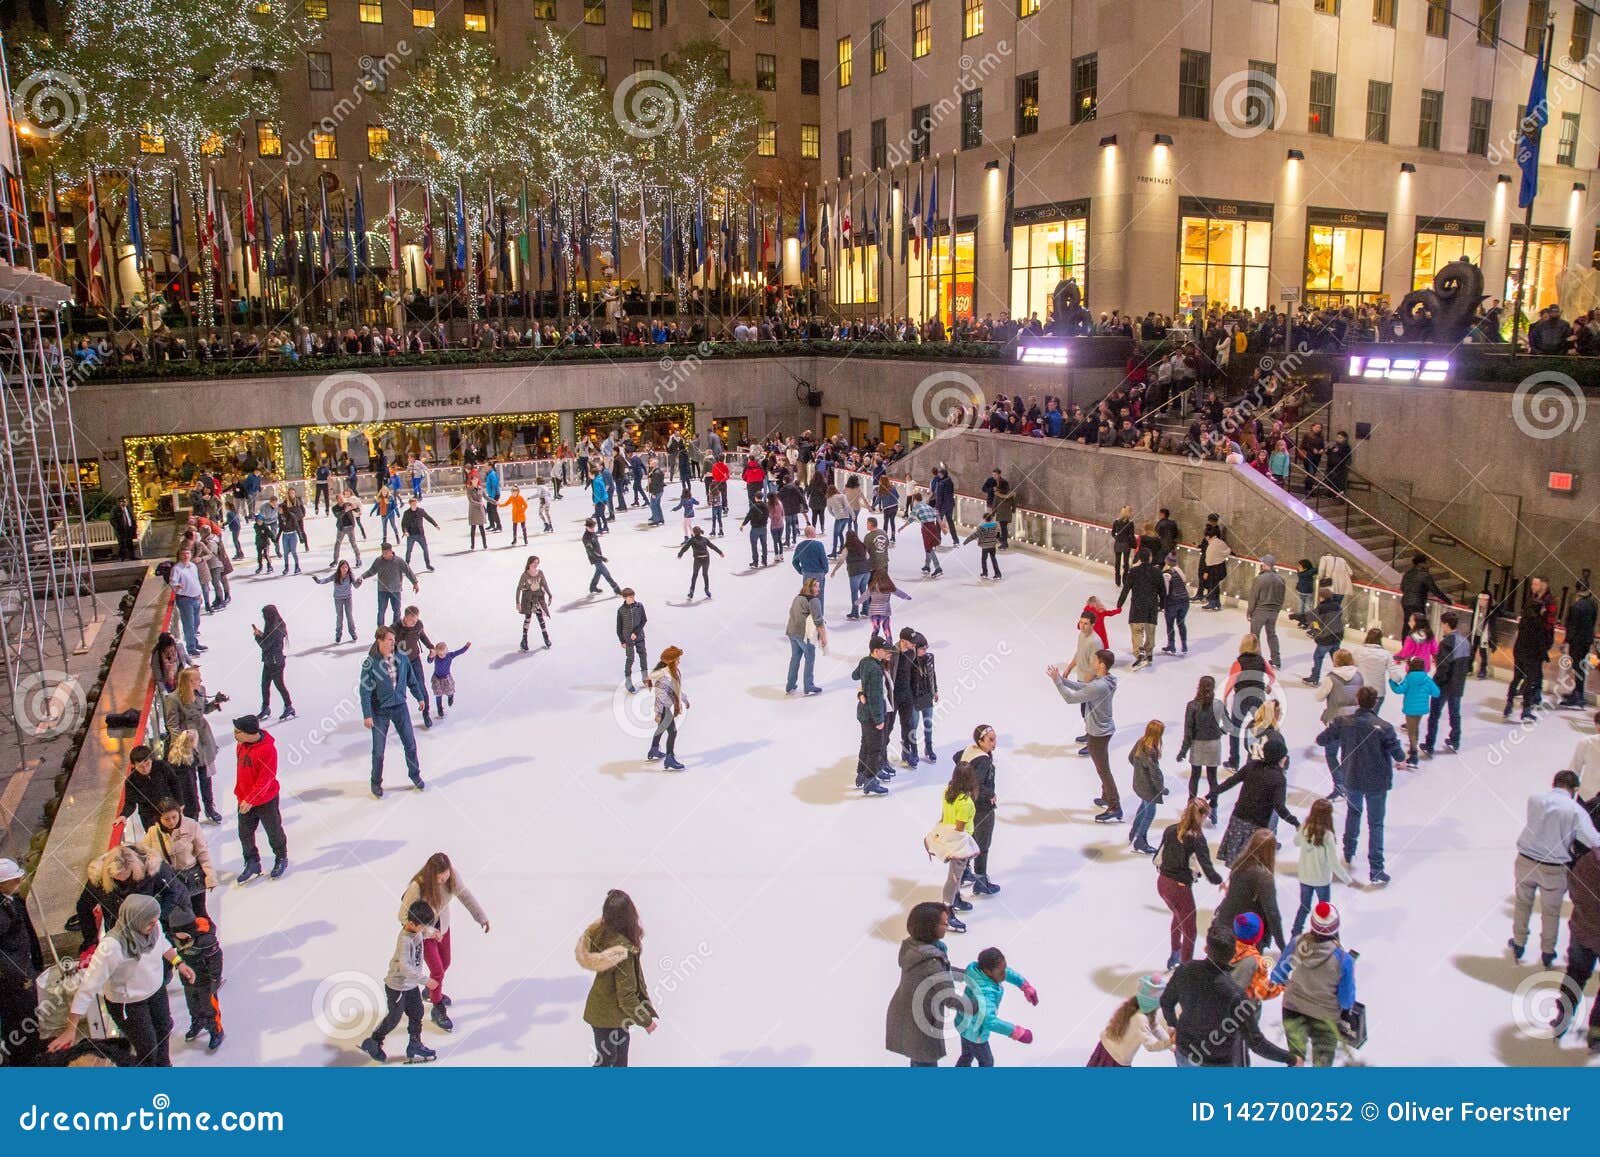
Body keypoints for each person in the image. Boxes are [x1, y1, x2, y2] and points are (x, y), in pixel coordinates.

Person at [47, 895, 193, 1066]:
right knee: (148, 1047)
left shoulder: (155, 928)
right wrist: (71, 1029)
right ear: (135, 919)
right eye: (150, 921)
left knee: (164, 1028)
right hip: (129, 1004)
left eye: (155, 920)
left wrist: (179, 963)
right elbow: (88, 986)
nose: (154, 924)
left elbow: (163, 945)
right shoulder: (111, 947)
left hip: (155, 991)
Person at [1160, 923, 1299, 1067]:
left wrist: (1173, 1026)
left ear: (1206, 948)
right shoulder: (1236, 996)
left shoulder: (1184, 970)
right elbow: (1256, 1042)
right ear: (1232, 955)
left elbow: (1166, 1001)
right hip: (1218, 1062)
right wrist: (1290, 1058)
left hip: (1184, 1052)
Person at [1509, 770, 1600, 968]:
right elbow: (1594, 840)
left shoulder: (1534, 799)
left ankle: (1518, 942)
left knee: (1523, 903)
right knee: (1551, 911)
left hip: (1525, 861)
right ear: (1574, 789)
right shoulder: (1576, 811)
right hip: (1554, 868)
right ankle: (1547, 951)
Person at [1318, 687, 1403, 886]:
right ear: (1374, 702)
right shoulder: (1385, 727)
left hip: (1352, 778)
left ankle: (1349, 851)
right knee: (1376, 824)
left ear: (1358, 700)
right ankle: (1376, 868)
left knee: (1353, 813)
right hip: (1377, 782)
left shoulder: (1343, 722)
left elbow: (1322, 740)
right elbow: (1399, 755)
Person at [399, 853, 491, 1033]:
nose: (444, 881)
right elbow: (402, 916)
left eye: (446, 876)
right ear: (431, 875)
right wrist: (427, 931)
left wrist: (481, 917)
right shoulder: (417, 886)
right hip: (425, 935)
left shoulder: (451, 877)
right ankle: (437, 1007)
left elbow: (465, 896)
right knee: (437, 970)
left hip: (443, 929)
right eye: (440, 878)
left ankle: (431, 990)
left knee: (445, 963)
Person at [1270, 901, 1357, 1067]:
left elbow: (1276, 976)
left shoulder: (1297, 943)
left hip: (1292, 1010)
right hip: (1326, 1018)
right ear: (1336, 927)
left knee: (1296, 1062)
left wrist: (1292, 985)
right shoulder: (1344, 960)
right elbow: (1346, 1001)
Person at [577, 889, 657, 1066]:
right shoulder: (623, 952)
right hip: (607, 1016)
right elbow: (626, 996)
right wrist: (646, 1021)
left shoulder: (604, 936)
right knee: (609, 1060)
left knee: (617, 1058)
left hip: (609, 1014)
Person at [358, 900, 439, 1065]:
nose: (423, 930)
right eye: (421, 926)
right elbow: (406, 968)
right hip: (397, 986)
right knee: (394, 1017)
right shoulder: (404, 940)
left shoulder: (417, 930)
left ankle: (414, 1044)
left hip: (410, 985)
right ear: (411, 923)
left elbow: (423, 933)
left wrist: (433, 933)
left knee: (417, 1012)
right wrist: (427, 981)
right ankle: (373, 1041)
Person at [886, 901, 961, 1066]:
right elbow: (948, 997)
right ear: (930, 927)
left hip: (906, 1014)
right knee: (925, 1062)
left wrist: (962, 973)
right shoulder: (931, 961)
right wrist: (977, 1005)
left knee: (918, 1058)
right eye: (944, 923)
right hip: (921, 1020)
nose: (947, 925)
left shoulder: (914, 948)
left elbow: (939, 972)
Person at [1049, 650, 1120, 822]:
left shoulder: (1100, 685)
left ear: (1102, 665)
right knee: (1102, 767)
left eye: (1095, 661)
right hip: (1103, 730)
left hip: (1098, 733)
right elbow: (1085, 688)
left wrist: (1057, 682)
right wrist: (1062, 679)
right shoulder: (1105, 680)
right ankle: (1106, 797)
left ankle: (1115, 806)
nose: (1092, 663)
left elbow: (1070, 698)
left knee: (1103, 770)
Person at [1210, 733, 1300, 865]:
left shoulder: (1252, 766)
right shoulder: (1279, 779)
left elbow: (1230, 782)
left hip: (1238, 820)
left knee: (1236, 862)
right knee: (1249, 865)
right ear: (1280, 758)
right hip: (1256, 827)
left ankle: (1234, 883)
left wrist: (1211, 794)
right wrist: (1295, 822)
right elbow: (1279, 807)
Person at [359, 627, 427, 798]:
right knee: (379, 751)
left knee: (410, 744)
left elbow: (411, 680)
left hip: (400, 707)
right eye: (389, 639)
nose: (392, 642)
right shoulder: (370, 662)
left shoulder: (402, 658)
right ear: (379, 641)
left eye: (393, 639)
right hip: (380, 711)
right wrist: (367, 715)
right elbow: (365, 690)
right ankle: (376, 782)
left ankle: (415, 774)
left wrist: (419, 697)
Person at [1156, 798, 1222, 967]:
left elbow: (1157, 857)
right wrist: (1221, 881)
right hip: (1180, 888)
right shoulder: (1197, 838)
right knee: (1190, 931)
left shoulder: (1170, 830)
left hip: (1162, 883)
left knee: (1178, 917)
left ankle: (1174, 954)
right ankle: (1185, 968)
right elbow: (1207, 869)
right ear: (1202, 816)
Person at [1551, 842, 1600, 1052]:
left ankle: (1564, 1014)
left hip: (1582, 931)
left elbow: (1573, 889)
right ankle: (1597, 1031)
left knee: (1576, 973)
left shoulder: (1587, 861)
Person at [953, 947, 1037, 1066]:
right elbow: (989, 1021)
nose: (1004, 974)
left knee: (967, 1055)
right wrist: (1017, 1032)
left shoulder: (978, 973)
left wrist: (1024, 985)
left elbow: (1008, 972)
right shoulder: (984, 992)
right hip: (975, 1032)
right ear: (987, 971)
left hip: (963, 1023)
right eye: (1001, 972)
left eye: (1004, 969)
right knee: (987, 1062)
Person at [1214, 828, 1288, 953]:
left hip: (1225, 923)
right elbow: (1272, 913)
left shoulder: (1239, 864)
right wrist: (1282, 946)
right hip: (1248, 932)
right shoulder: (1264, 877)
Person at [142, 799, 217, 922]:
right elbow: (144, 854)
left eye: (174, 817)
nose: (171, 822)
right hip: (171, 881)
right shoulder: (152, 833)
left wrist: (210, 876)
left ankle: (207, 939)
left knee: (200, 914)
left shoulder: (192, 826)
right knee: (179, 917)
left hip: (192, 877)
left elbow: (202, 853)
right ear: (159, 818)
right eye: (166, 819)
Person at [0, 858, 43, 1067]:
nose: (19, 880)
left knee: (30, 1013)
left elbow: (27, 929)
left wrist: (36, 959)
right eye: (14, 879)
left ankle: (32, 1051)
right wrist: (15, 973)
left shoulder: (14, 900)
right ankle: (22, 1060)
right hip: (11, 979)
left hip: (25, 968)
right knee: (17, 1020)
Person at [932, 762, 980, 934]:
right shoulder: (965, 803)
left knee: (956, 875)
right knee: (954, 876)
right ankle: (948, 910)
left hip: (948, 837)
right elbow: (960, 827)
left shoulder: (948, 791)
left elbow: (944, 816)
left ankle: (956, 899)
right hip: (960, 843)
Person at [1291, 798, 1350, 936]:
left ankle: (1295, 933)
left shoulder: (1305, 828)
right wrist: (1347, 879)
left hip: (1305, 877)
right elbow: (1334, 863)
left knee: (1304, 907)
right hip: (1322, 880)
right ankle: (1327, 935)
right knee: (1325, 911)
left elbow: (1296, 842)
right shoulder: (1328, 836)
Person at [1087, 974, 1172, 1067]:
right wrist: (1169, 1043)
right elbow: (1150, 1046)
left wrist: (1171, 1043)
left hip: (1106, 1045)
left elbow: (1155, 1027)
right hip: (1116, 1057)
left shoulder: (1137, 1006)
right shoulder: (1141, 1019)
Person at [959, 724, 1002, 896]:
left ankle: (963, 873)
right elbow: (976, 784)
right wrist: (990, 793)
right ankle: (980, 881)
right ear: (980, 741)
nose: (994, 743)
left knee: (969, 840)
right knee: (982, 845)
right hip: (981, 808)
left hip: (967, 807)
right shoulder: (983, 760)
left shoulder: (971, 750)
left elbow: (957, 758)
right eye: (990, 740)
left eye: (995, 738)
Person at [1506, 576, 1557, 720]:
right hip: (1532, 653)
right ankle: (1526, 709)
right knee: (1529, 679)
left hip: (1521, 650)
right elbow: (1545, 631)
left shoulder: (1526, 619)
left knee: (1517, 677)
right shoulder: (1539, 623)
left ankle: (1509, 704)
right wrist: (1544, 652)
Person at [853, 636, 893, 796]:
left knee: (865, 744)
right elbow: (876, 697)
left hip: (862, 713)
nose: (886, 652)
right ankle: (870, 781)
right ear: (876, 651)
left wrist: (862, 691)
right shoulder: (876, 670)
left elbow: (854, 675)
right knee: (875, 748)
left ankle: (861, 773)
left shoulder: (865, 661)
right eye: (884, 650)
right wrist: (879, 720)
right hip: (872, 716)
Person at [1177, 676, 1224, 809]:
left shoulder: (1192, 705)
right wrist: (1219, 731)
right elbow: (1227, 724)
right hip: (1214, 743)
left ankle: (1191, 804)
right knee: (1212, 776)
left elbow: (1188, 730)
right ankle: (1214, 805)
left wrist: (1183, 750)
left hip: (1198, 743)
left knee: (1195, 775)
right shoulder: (1218, 705)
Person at [118, 744, 184, 834]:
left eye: (148, 764)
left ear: (151, 760)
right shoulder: (131, 780)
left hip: (168, 810)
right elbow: (130, 802)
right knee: (155, 840)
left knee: (176, 835)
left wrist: (179, 802)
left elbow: (175, 783)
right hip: (149, 816)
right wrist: (124, 815)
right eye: (140, 766)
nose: (145, 769)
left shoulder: (161, 766)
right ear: (133, 765)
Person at [1116, 549, 1165, 669]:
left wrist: (1120, 603)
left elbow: (1126, 588)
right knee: (1150, 630)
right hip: (1151, 607)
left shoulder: (1134, 571)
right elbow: (1163, 591)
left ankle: (1139, 653)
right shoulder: (1157, 572)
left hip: (1138, 605)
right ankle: (1148, 653)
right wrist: (1162, 605)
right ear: (1150, 558)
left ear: (1139, 558)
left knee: (1137, 630)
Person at [1388, 657, 1440, 769]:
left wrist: (1392, 681)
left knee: (1411, 731)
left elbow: (1399, 690)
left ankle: (1413, 755)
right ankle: (1413, 747)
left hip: (1410, 709)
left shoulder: (1409, 678)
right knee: (1414, 728)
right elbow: (1436, 693)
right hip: (1421, 709)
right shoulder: (1426, 679)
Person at [1127, 720, 1167, 855]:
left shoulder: (1140, 742)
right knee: (1150, 813)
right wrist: (1161, 788)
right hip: (1148, 788)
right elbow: (1154, 772)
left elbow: (1131, 758)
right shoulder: (1151, 751)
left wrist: (1139, 772)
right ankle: (1140, 841)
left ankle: (1135, 830)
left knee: (1143, 808)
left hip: (1139, 783)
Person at [646, 646, 688, 771]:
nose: (679, 661)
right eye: (677, 659)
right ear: (671, 660)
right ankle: (669, 758)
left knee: (662, 728)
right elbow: (660, 694)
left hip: (666, 707)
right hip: (663, 707)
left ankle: (654, 749)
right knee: (673, 731)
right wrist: (659, 712)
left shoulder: (673, 672)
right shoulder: (664, 674)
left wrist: (685, 700)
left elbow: (678, 690)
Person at [251, 604, 294, 722]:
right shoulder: (276, 625)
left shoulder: (274, 628)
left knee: (279, 685)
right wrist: (261, 635)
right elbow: (268, 640)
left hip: (275, 662)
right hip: (270, 660)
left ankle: (289, 706)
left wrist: (257, 637)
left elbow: (265, 645)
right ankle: (265, 707)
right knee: (264, 685)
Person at [361, 542, 419, 629]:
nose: (384, 555)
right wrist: (362, 576)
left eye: (386, 553)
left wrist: (415, 583)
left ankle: (395, 629)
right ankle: (380, 629)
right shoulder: (379, 561)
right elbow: (371, 571)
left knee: (396, 611)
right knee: (381, 611)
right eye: (383, 553)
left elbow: (408, 571)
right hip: (382, 591)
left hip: (395, 590)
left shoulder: (398, 561)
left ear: (391, 551)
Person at [784, 579, 827, 696]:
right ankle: (808, 685)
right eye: (816, 587)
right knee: (810, 658)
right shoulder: (814, 601)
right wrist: (823, 638)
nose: (819, 589)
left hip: (792, 631)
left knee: (795, 658)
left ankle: (790, 684)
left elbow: (791, 612)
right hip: (803, 634)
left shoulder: (797, 597)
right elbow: (818, 621)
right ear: (810, 587)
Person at [1561, 580, 1598, 708]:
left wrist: (1566, 640)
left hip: (1577, 641)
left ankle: (1578, 695)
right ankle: (1578, 693)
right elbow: (1593, 622)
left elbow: (1572, 626)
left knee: (1577, 667)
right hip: (1586, 640)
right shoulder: (1593, 605)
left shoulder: (1576, 606)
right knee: (1580, 668)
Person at [1246, 556, 1287, 669]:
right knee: (1272, 635)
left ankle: (1256, 661)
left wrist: (1249, 611)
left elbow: (1253, 596)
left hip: (1260, 611)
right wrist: (1277, 609)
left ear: (1265, 564)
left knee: (1254, 636)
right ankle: (1276, 660)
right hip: (1274, 612)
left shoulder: (1260, 579)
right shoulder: (1281, 579)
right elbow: (1282, 597)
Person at [1304, 579, 1346, 685]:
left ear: (1321, 597)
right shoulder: (1337, 606)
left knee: (1318, 656)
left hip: (1326, 638)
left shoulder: (1321, 608)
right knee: (1336, 658)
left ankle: (1315, 677)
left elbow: (1313, 618)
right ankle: (1344, 677)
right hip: (1337, 636)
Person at [907, 632, 940, 764]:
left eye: (926, 648)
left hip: (927, 695)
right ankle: (913, 751)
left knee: (928, 724)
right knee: (913, 726)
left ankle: (929, 747)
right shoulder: (908, 661)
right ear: (915, 648)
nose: (925, 651)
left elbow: (933, 674)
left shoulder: (929, 658)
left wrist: (935, 690)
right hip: (914, 698)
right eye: (922, 649)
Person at [168, 547, 206, 654]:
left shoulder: (193, 566)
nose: (186, 556)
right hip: (185, 599)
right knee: (189, 623)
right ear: (179, 556)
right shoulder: (177, 569)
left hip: (195, 597)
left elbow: (196, 581)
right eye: (183, 554)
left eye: (188, 553)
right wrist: (177, 585)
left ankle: (194, 641)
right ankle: (191, 647)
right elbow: (172, 582)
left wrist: (199, 595)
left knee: (196, 622)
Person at [831, 530, 872, 619]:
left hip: (855, 572)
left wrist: (834, 570)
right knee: (863, 591)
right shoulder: (862, 545)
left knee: (854, 593)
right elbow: (868, 557)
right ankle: (866, 611)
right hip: (866, 571)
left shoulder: (847, 548)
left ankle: (855, 613)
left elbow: (841, 560)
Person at [515, 556, 553, 652]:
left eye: (537, 563)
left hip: (538, 598)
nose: (536, 564)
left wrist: (550, 594)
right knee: (528, 619)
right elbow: (518, 589)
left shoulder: (540, 573)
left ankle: (546, 638)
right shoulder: (525, 575)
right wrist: (517, 602)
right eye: (534, 562)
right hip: (528, 599)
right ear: (529, 563)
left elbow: (544, 584)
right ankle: (524, 641)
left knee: (541, 618)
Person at [1399, 553, 1449, 625]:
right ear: (1421, 564)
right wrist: (1448, 601)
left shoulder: (1408, 573)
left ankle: (1406, 636)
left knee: (1408, 624)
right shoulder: (1425, 576)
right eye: (1427, 563)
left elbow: (1402, 587)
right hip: (1417, 604)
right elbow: (1435, 591)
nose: (1428, 565)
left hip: (1405, 602)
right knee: (1420, 625)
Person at [677, 526, 724, 600]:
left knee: (695, 575)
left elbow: (685, 548)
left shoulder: (692, 540)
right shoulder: (704, 539)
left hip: (698, 559)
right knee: (705, 574)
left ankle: (691, 592)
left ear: (694, 532)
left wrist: (680, 554)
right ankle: (707, 590)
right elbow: (712, 546)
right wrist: (720, 552)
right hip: (706, 558)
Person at [426, 641, 470, 719]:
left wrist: (466, 646)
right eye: (439, 654)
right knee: (438, 694)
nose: (441, 655)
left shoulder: (450, 655)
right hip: (437, 678)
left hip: (446, 677)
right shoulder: (435, 656)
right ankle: (439, 709)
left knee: (449, 690)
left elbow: (460, 652)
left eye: (443, 654)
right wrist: (430, 656)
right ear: (436, 652)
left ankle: (450, 696)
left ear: (446, 651)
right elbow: (429, 661)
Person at [791, 525, 830, 609]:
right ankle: (819, 617)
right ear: (813, 533)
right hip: (818, 573)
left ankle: (809, 617)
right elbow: (824, 559)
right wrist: (825, 570)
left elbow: (794, 561)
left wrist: (801, 571)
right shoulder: (819, 545)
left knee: (808, 596)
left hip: (806, 574)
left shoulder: (800, 546)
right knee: (819, 596)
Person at [616, 588, 648, 688]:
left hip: (639, 636)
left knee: (643, 656)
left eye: (633, 596)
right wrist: (622, 641)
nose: (633, 598)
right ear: (625, 598)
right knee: (630, 658)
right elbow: (618, 627)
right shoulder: (621, 610)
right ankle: (628, 682)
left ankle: (645, 679)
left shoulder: (639, 606)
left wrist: (636, 632)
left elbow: (644, 620)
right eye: (630, 597)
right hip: (628, 639)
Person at [1160, 554, 1191, 655]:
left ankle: (1172, 645)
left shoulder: (1166, 574)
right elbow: (1185, 581)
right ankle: (1184, 645)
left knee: (1170, 624)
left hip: (1173, 602)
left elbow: (1166, 591)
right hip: (1184, 601)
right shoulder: (1179, 571)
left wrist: (1161, 604)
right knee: (1181, 623)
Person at [864, 572, 911, 638]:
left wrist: (857, 602)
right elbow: (899, 593)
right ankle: (889, 642)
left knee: (876, 628)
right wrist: (907, 597)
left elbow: (864, 596)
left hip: (873, 611)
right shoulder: (888, 587)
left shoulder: (872, 587)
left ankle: (873, 641)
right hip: (885, 611)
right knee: (886, 628)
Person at [582, 519, 623, 596]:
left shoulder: (593, 533)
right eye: (591, 528)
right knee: (606, 574)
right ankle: (616, 589)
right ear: (587, 527)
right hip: (595, 558)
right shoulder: (586, 538)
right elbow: (591, 551)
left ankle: (593, 586)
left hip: (598, 556)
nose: (593, 529)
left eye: (594, 527)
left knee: (598, 572)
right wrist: (602, 558)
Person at [400, 498, 439, 571]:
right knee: (409, 550)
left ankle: (428, 565)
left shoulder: (421, 511)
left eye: (415, 504)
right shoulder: (406, 513)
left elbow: (428, 517)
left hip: (420, 534)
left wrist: (435, 525)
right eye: (413, 504)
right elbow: (403, 524)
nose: (414, 505)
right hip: (411, 535)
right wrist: (405, 531)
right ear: (410, 504)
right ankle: (406, 566)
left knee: (425, 549)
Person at [962, 510, 1003, 579]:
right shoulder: (995, 526)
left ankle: (985, 573)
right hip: (992, 545)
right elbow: (998, 535)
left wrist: (966, 541)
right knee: (993, 559)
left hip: (985, 546)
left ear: (984, 519)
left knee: (984, 559)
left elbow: (974, 535)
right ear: (991, 518)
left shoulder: (982, 527)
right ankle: (998, 574)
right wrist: (998, 540)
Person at [1199, 525, 1231, 611]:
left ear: (1208, 536)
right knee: (1216, 586)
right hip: (1221, 567)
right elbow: (1227, 550)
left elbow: (1209, 561)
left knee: (1212, 586)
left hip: (1213, 569)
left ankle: (1212, 603)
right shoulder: (1221, 543)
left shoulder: (1211, 547)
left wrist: (1206, 572)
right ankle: (1217, 603)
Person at [1111, 505, 1136, 584]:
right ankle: (1125, 579)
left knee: (1117, 562)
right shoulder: (1130, 523)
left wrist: (1117, 538)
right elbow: (1131, 535)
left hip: (1118, 544)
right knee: (1126, 562)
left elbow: (1113, 533)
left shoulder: (1116, 522)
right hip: (1126, 544)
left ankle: (1117, 579)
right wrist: (1132, 543)